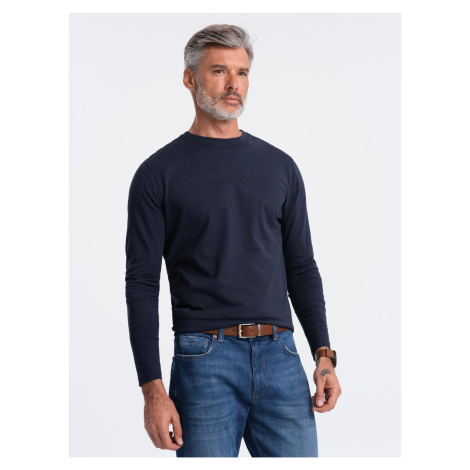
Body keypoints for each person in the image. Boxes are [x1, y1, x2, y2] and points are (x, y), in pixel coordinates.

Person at [125, 23, 342, 458]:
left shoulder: (280, 167)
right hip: (204, 361)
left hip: (281, 356)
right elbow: (142, 284)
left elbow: (301, 267)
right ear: (190, 79)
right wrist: (152, 390)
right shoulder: (157, 174)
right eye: (219, 71)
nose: (233, 84)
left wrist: (324, 355)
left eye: (241, 73)